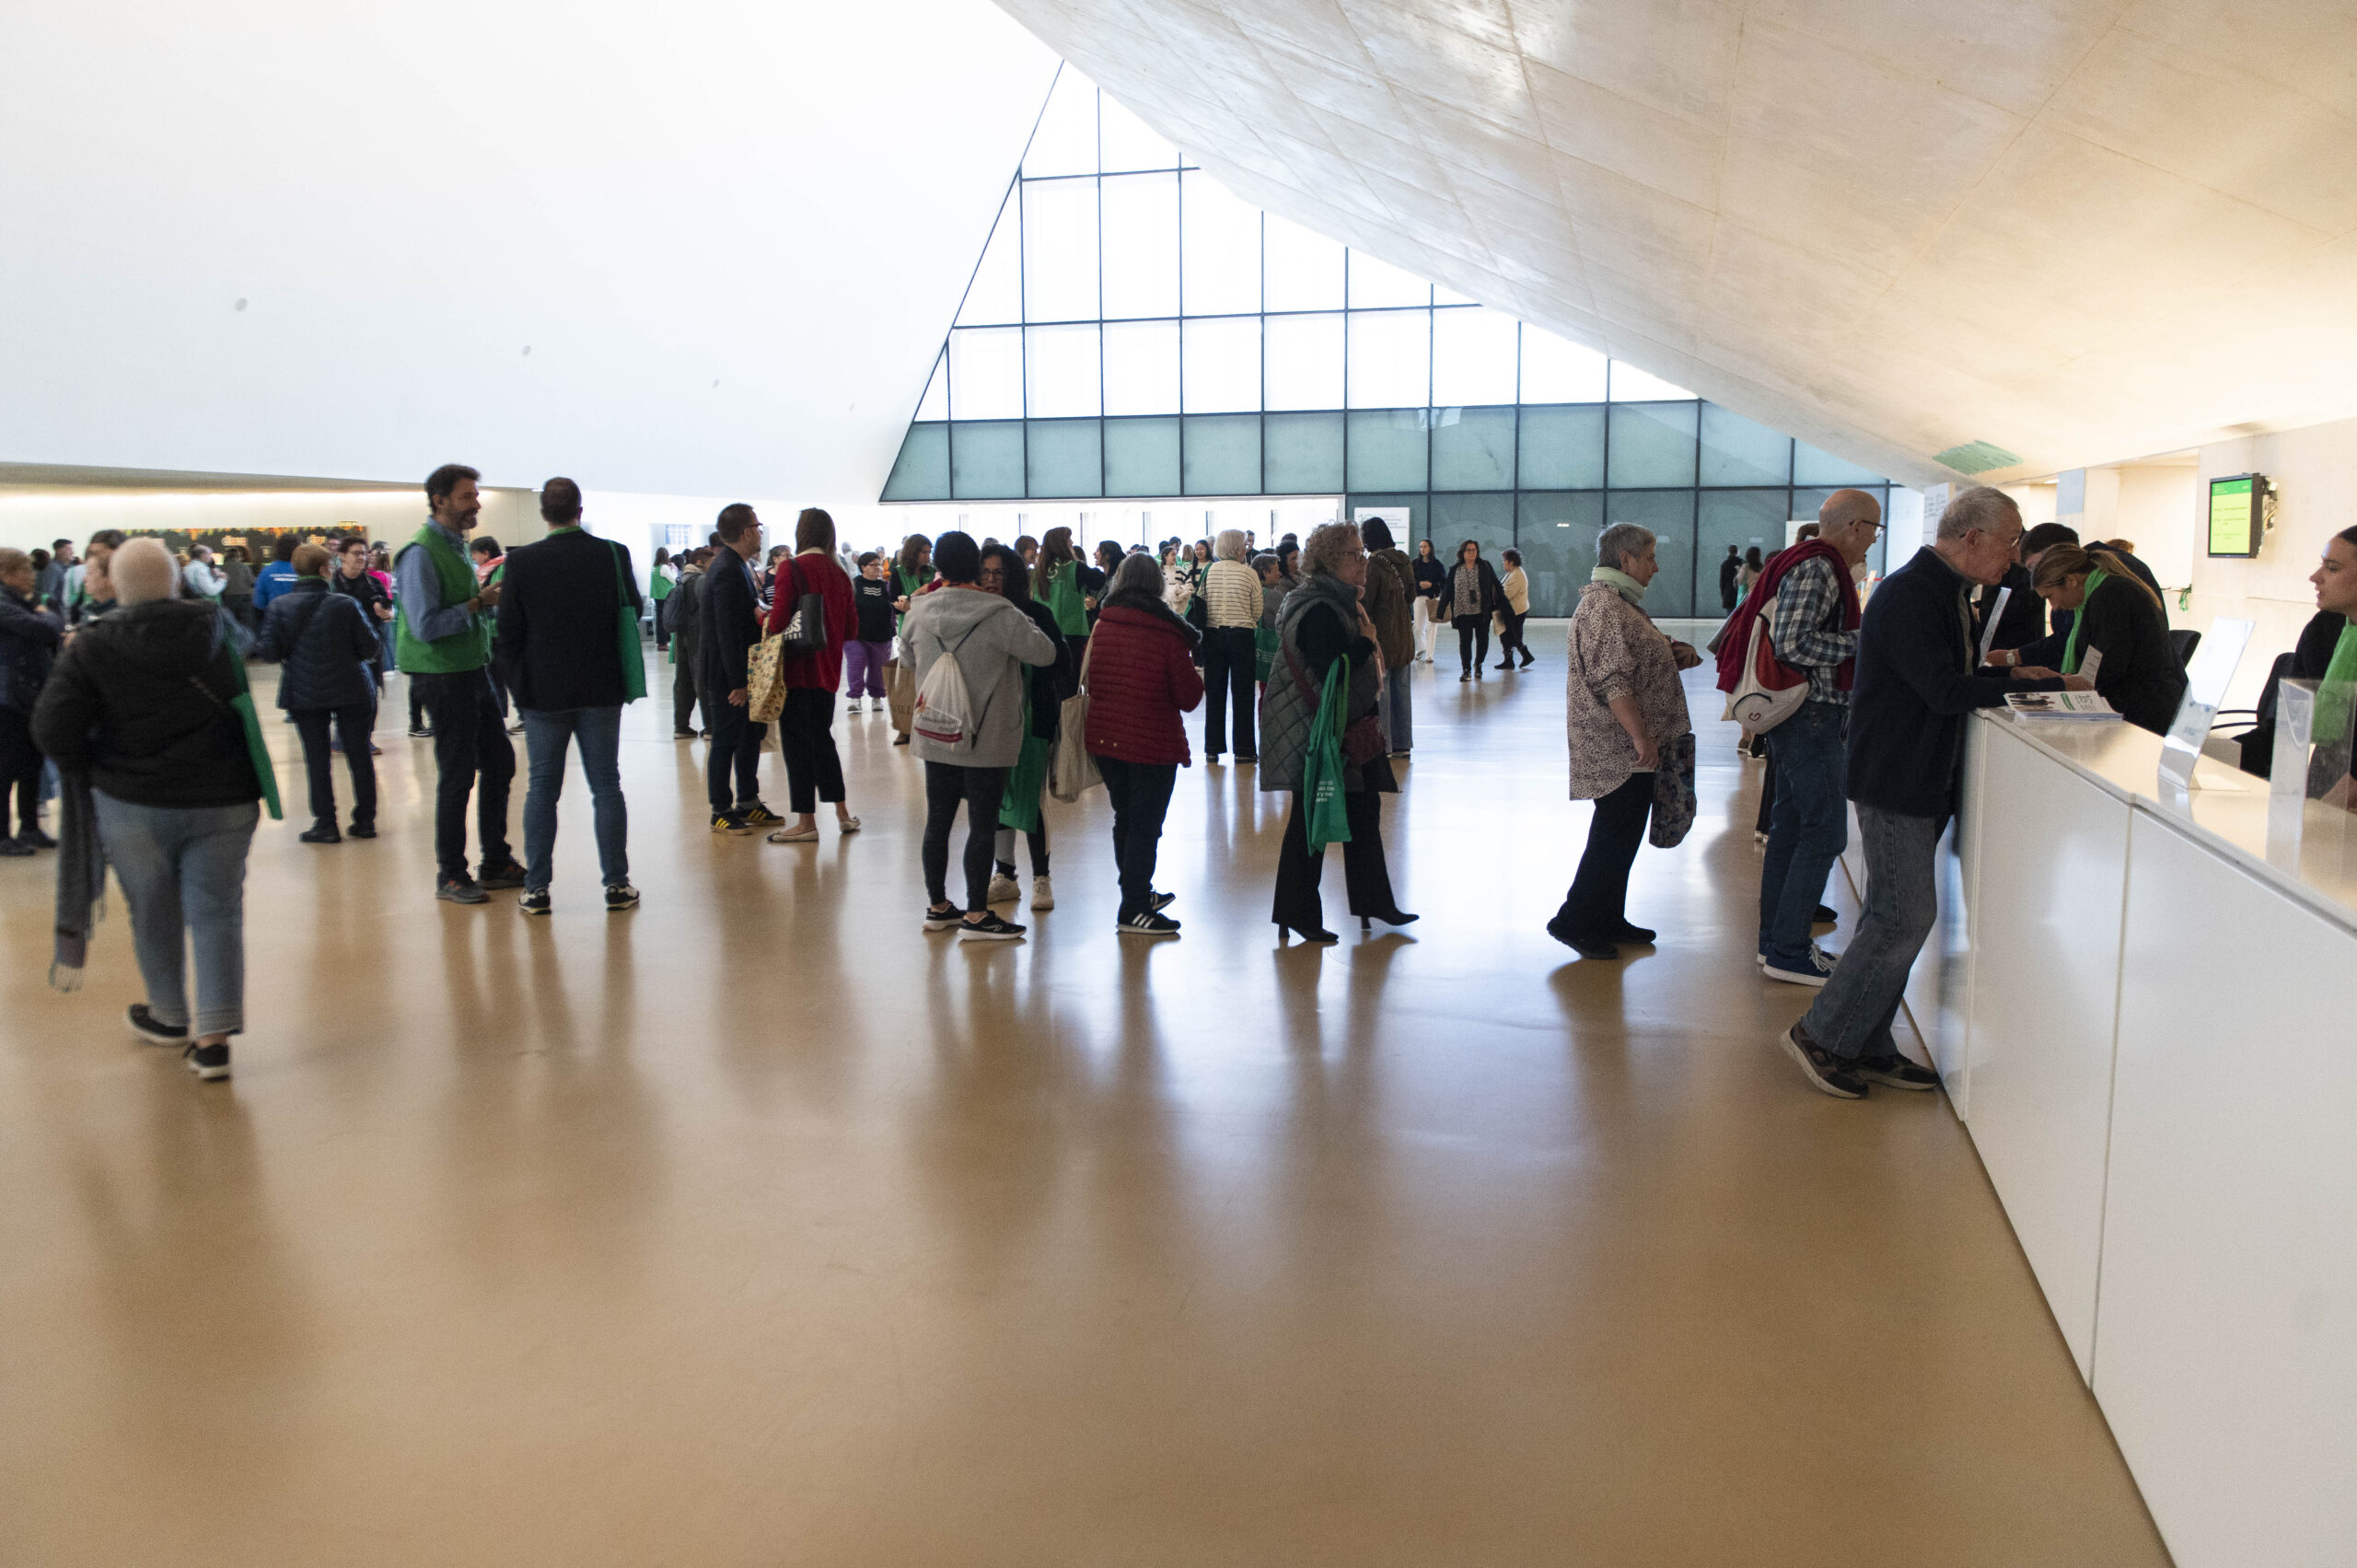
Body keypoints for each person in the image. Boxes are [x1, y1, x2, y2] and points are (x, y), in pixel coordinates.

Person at [1778, 487, 2070, 1098]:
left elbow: (1942, 675)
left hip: (1916, 775)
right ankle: (1821, 1034)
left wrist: (2008, 673)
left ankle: (1866, 1041)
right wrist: (2021, 690)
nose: (2015, 555)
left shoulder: (1944, 592)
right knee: (1903, 916)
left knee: (1894, 915)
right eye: (2009, 540)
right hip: (1896, 776)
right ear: (1972, 537)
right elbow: (1941, 689)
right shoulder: (1914, 593)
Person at [32, 540, 264, 1081]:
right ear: (177, 581)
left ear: (115, 585)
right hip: (224, 797)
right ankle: (214, 1040)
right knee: (217, 912)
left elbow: (51, 726)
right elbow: (246, 663)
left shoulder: (92, 644)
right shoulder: (218, 626)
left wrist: (91, 766)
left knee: (152, 910)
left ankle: (168, 1015)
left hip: (133, 801)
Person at [1746, 490, 1879, 985]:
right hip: (1811, 715)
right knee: (1824, 832)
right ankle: (1788, 949)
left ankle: (1776, 944)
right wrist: (1865, 641)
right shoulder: (1820, 567)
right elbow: (1793, 643)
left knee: (1792, 826)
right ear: (1854, 527)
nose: (1874, 540)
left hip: (1806, 716)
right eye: (1874, 529)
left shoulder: (1812, 563)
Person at [1550, 523, 1699, 958]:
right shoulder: (1603, 607)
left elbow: (1631, 659)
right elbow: (1612, 680)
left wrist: (1669, 655)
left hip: (1628, 747)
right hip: (1617, 747)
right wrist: (1641, 738)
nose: (1656, 567)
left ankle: (1608, 916)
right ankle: (1574, 920)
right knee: (1612, 835)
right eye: (1649, 557)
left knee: (1624, 833)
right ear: (1625, 559)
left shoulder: (1620, 604)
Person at [493, 477, 642, 913]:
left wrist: (519, 687)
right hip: (601, 685)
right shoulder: (612, 554)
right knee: (606, 785)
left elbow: (507, 631)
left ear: (543, 513)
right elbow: (631, 608)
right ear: (580, 509)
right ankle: (617, 884)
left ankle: (537, 888)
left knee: (542, 789)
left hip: (543, 692)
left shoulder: (521, 561)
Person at [1260, 521, 1414, 940]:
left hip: (1345, 727)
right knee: (1311, 822)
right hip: (1318, 732)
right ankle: (1298, 913)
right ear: (1330, 561)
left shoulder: (1340, 600)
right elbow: (1332, 668)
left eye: (1362, 552)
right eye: (1353, 554)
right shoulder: (1319, 608)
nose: (1363, 560)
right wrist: (1365, 640)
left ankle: (1374, 903)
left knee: (1362, 812)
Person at [901, 530, 1058, 940]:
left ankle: (938, 907)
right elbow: (1045, 653)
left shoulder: (918, 610)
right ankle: (975, 915)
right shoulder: (1000, 613)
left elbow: (906, 658)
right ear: (975, 566)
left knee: (937, 820)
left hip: (936, 731)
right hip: (988, 739)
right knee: (982, 824)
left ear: (938, 566)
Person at [395, 463, 523, 904]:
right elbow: (425, 625)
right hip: (442, 676)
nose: (477, 504)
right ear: (440, 501)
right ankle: (450, 874)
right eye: (468, 496)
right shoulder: (420, 553)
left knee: (500, 762)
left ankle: (495, 861)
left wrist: (483, 606)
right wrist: (476, 603)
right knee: (457, 773)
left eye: (476, 495)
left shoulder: (456, 546)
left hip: (471, 670)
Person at [1085, 552, 1202, 935]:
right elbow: (1189, 696)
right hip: (1151, 742)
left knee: (1126, 819)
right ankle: (1134, 908)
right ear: (1157, 585)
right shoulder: (1168, 633)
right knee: (1145, 826)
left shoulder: (1103, 623)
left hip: (1106, 738)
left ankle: (1136, 892)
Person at [256, 542, 379, 844]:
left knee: (316, 758)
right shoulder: (346, 604)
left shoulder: (279, 606)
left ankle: (325, 823)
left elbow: (269, 652)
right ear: (326, 569)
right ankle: (365, 821)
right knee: (359, 754)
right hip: (351, 688)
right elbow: (370, 647)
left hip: (304, 691)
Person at [980, 542, 1072, 909]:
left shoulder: (1036, 613)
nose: (991, 580)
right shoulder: (977, 612)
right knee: (996, 797)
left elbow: (1061, 661)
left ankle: (1041, 877)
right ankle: (1005, 874)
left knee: (1032, 799)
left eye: (999, 573)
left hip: (1034, 719)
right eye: (985, 573)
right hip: (989, 722)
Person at [761, 506, 859, 844]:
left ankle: (806, 822)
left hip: (796, 670)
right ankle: (843, 814)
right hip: (828, 671)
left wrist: (762, 618)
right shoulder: (840, 572)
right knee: (822, 739)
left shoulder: (790, 568)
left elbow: (778, 622)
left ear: (800, 533)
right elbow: (851, 629)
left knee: (796, 745)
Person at [2029, 542, 2186, 733]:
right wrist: (2064, 680)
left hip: (2142, 714)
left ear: (2071, 581)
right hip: (2138, 706)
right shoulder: (2104, 591)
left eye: (2050, 597)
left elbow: (2110, 664)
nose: (2055, 607)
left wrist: (2066, 683)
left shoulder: (2110, 596)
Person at [1987, 522, 2168, 670]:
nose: (2055, 606)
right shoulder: (2094, 583)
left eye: (2034, 567)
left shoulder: (2108, 592)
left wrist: (2016, 658)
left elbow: (2107, 663)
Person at [701, 507, 778, 834]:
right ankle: (720, 808)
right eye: (757, 526)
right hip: (728, 675)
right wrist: (738, 682)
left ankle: (748, 800)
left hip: (745, 669)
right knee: (726, 739)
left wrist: (759, 612)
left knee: (750, 736)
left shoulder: (739, 565)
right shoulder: (726, 570)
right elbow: (726, 630)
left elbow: (742, 614)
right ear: (746, 531)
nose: (760, 532)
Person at [0, 548, 64, 852]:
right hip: (8, 699)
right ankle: (2, 835)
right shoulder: (5, 604)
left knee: (30, 764)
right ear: (5, 574)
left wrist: (46, 616)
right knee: (6, 768)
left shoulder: (21, 602)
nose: (32, 575)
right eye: (24, 570)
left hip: (25, 696)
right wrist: (48, 616)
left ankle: (29, 827)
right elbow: (43, 629)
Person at [1198, 528, 1262, 763]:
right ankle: (1244, 750)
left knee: (1214, 692)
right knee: (1243, 693)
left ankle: (1212, 748)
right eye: (1244, 545)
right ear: (1236, 548)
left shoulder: (1209, 570)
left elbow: (1201, 601)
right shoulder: (1249, 573)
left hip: (1213, 636)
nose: (1246, 548)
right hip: (1242, 636)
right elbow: (1258, 608)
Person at [1357, 517, 1416, 755]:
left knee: (1382, 690)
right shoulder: (1404, 560)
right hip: (1404, 633)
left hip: (1383, 633)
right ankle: (1403, 743)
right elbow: (1411, 596)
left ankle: (1385, 745)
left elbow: (1367, 600)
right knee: (1403, 690)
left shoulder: (1374, 564)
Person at [1447, 538, 1504, 680]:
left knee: (1482, 640)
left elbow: (1496, 584)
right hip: (1462, 611)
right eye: (1468, 550)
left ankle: (1478, 664)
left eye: (1474, 550)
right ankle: (1466, 670)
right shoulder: (1455, 569)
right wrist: (1441, 609)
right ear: (1462, 552)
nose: (1471, 553)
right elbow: (1448, 590)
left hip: (1482, 610)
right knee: (1465, 641)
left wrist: (1503, 603)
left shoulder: (1485, 566)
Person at [846, 552, 896, 712]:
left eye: (879, 565)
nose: (878, 568)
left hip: (881, 634)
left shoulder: (885, 586)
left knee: (878, 668)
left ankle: (877, 698)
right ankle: (855, 698)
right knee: (856, 664)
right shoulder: (854, 584)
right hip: (856, 634)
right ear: (863, 567)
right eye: (873, 565)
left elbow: (893, 606)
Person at [1036, 527, 1091, 667]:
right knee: (1070, 675)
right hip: (1073, 631)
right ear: (1061, 544)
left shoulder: (1037, 571)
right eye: (1069, 540)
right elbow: (1098, 580)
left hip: (1043, 630)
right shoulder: (1076, 567)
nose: (1072, 543)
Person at [670, 547, 708, 738]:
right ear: (700, 562)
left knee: (683, 679)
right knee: (702, 677)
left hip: (681, 633)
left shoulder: (682, 579)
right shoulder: (701, 580)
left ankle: (681, 725)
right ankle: (711, 726)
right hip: (698, 633)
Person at [1495, 546, 1534, 670]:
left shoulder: (1516, 576)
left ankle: (1519, 658)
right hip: (1515, 610)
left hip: (1515, 611)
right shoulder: (1513, 573)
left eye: (1505, 561)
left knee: (1511, 636)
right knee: (1511, 636)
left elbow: (1505, 595)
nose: (1503, 563)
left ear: (1511, 562)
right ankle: (1513, 659)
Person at [1411, 537, 1446, 662]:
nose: (1422, 549)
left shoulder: (1437, 564)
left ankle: (1429, 654)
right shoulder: (1415, 564)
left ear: (1430, 548)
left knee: (1432, 625)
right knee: (1418, 627)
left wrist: (1431, 584)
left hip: (1433, 597)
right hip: (1419, 596)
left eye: (1425, 546)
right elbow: (1410, 580)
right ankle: (1422, 647)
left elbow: (1443, 581)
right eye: (1421, 547)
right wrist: (1419, 584)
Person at [251, 534, 299, 614]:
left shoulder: (266, 572)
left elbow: (259, 604)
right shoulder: (304, 571)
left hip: (273, 618)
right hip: (300, 618)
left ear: (277, 549)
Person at [217, 544, 256, 631]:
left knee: (231, 622)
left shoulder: (221, 568)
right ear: (237, 556)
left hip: (228, 597)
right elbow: (251, 581)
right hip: (245, 597)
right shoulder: (244, 567)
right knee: (246, 623)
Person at [648, 546, 675, 650]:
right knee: (664, 620)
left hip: (657, 595)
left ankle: (662, 642)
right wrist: (673, 569)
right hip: (665, 595)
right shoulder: (664, 567)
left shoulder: (654, 567)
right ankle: (663, 643)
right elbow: (673, 580)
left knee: (660, 619)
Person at [35, 541, 71, 610]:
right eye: (68, 549)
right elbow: (47, 594)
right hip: (54, 611)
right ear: (58, 551)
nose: (72, 552)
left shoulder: (60, 568)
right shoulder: (52, 569)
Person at [1719, 544, 1742, 613]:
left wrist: (1723, 594)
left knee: (1730, 615)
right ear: (1737, 552)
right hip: (1740, 594)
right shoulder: (1741, 563)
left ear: (1728, 552)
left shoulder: (1725, 564)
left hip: (1728, 594)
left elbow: (1722, 582)